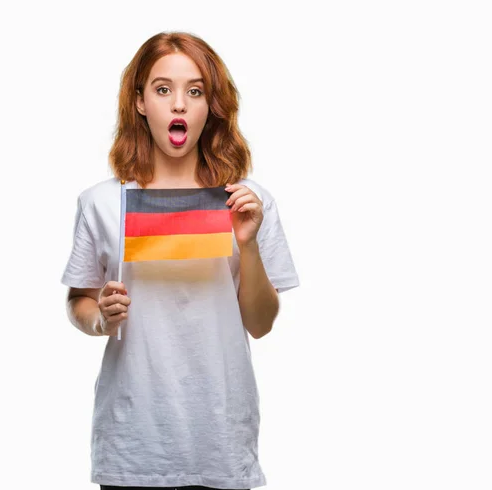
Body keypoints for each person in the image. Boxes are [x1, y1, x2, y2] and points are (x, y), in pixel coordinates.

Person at [61, 31, 300, 490]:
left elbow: (262, 323)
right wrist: (100, 318)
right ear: (139, 102)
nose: (178, 105)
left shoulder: (248, 202)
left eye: (195, 91)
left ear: (211, 106)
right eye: (162, 88)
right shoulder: (102, 202)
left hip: (221, 440)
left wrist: (246, 243)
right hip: (133, 444)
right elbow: (79, 301)